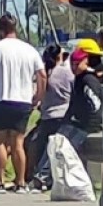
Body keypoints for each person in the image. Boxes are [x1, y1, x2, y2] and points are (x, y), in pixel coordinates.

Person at [0, 14, 44, 193]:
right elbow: (42, 75)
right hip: (22, 100)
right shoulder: (30, 50)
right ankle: (20, 182)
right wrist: (38, 96)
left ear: (0, 30)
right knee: (18, 143)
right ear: (15, 27)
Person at [24, 44, 71, 190]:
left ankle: (36, 175)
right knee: (56, 151)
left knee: (41, 148)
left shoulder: (44, 73)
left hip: (46, 116)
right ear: (59, 57)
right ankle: (48, 178)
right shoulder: (66, 73)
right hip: (62, 114)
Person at [58, 39, 103, 163]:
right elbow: (73, 104)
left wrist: (88, 125)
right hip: (78, 123)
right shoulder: (80, 79)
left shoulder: (88, 80)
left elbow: (96, 107)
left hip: (89, 126)